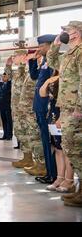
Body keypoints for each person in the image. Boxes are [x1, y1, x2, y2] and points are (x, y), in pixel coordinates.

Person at [47, 20, 82, 207]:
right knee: (71, 147)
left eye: (67, 31)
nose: (64, 33)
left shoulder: (81, 52)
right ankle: (79, 190)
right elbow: (52, 61)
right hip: (67, 108)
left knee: (75, 148)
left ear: (76, 33)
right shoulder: (69, 54)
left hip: (77, 110)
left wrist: (79, 109)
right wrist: (55, 45)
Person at [29, 34, 57, 184]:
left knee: (51, 142)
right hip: (40, 106)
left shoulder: (54, 60)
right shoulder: (45, 61)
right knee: (45, 141)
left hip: (47, 106)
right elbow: (35, 76)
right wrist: (33, 60)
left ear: (50, 45)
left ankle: (54, 174)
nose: (39, 49)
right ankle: (49, 172)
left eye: (41, 46)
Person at [40, 73, 74, 193]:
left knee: (66, 150)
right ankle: (60, 178)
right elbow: (42, 93)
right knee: (58, 149)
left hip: (64, 114)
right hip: (53, 113)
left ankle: (69, 180)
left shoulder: (70, 77)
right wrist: (48, 80)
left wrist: (62, 117)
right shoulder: (53, 77)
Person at [6, 50, 34, 167]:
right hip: (17, 109)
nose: (13, 58)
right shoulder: (18, 71)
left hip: (26, 110)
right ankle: (26, 158)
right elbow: (9, 76)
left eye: (15, 56)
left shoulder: (28, 70)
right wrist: (8, 65)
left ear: (23, 56)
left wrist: (22, 64)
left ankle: (38, 162)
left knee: (30, 134)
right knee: (20, 133)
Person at [0, 73, 13, 141]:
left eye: (4, 76)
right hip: (2, 105)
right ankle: (5, 134)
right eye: (2, 76)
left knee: (9, 121)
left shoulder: (10, 84)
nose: (3, 78)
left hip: (8, 105)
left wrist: (9, 78)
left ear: (8, 77)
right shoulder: (1, 84)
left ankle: (9, 135)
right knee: (4, 121)